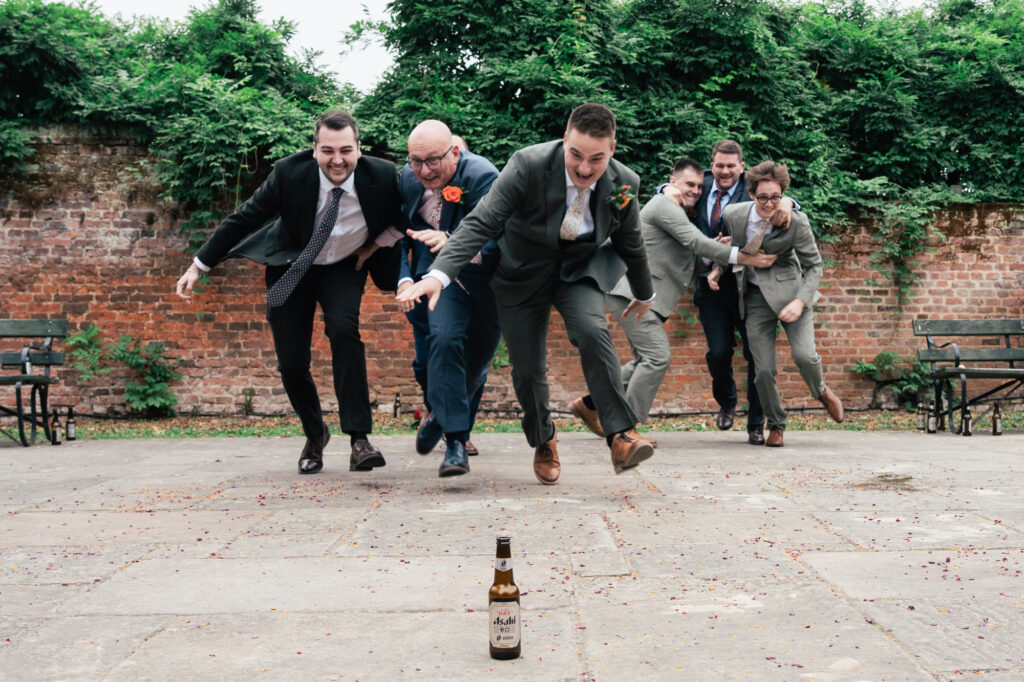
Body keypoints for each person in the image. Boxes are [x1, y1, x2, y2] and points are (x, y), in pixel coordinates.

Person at [397, 103, 655, 485]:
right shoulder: (528, 164)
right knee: (529, 371)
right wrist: (439, 274)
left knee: (592, 332)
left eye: (597, 159)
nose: (585, 169)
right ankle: (544, 438)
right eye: (576, 156)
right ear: (565, 140)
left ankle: (621, 434)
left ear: (612, 149)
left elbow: (631, 241)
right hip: (521, 273)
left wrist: (644, 292)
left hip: (577, 271)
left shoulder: (624, 183)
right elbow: (481, 222)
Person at [175, 110, 406, 475]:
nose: (337, 159)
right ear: (314, 150)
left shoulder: (383, 176)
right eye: (328, 150)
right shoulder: (288, 173)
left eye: (346, 150)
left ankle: (360, 440)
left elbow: (407, 214)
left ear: (358, 149)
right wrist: (198, 266)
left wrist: (377, 244)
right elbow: (245, 218)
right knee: (291, 362)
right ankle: (315, 435)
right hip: (291, 264)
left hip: (345, 266)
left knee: (344, 332)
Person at [571, 158, 777, 432]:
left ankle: (590, 403)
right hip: (629, 292)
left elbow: (691, 252)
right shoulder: (664, 204)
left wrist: (714, 255)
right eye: (688, 184)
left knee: (645, 360)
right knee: (657, 357)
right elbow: (694, 242)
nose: (694, 190)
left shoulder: (678, 210)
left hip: (641, 296)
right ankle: (625, 428)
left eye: (698, 187)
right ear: (673, 182)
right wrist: (744, 257)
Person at [661, 140, 794, 445]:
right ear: (712, 164)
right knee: (719, 352)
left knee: (756, 356)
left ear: (741, 167)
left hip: (749, 286)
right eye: (719, 165)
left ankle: (756, 424)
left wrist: (788, 204)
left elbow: (780, 198)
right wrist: (665, 191)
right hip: (711, 284)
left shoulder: (751, 187)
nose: (724, 171)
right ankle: (727, 400)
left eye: (730, 166)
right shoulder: (702, 184)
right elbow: (670, 187)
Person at [707, 160, 844, 447]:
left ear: (782, 195)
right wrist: (718, 268)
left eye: (775, 197)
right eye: (762, 197)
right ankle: (777, 424)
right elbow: (732, 247)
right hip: (755, 298)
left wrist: (799, 301)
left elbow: (815, 266)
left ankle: (820, 391)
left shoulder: (796, 221)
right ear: (751, 194)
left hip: (792, 293)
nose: (769, 203)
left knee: (805, 356)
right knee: (763, 370)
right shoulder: (734, 214)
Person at [396, 120, 502, 477]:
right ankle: (456, 444)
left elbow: (497, 232)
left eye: (433, 161)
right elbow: (397, 233)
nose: (424, 170)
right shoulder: (408, 179)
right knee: (443, 339)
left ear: (455, 153)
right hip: (438, 279)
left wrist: (454, 240)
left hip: (486, 279)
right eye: (415, 161)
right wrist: (404, 275)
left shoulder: (483, 177)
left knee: (477, 363)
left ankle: (440, 416)